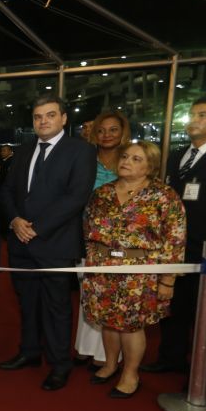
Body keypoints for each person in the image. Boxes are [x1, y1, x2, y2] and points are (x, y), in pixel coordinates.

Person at [0, 95, 96, 391]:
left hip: (55, 243)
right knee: (26, 302)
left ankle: (59, 364)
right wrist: (15, 220)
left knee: (56, 307)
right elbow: (7, 191)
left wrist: (37, 229)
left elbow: (76, 197)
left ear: (64, 118)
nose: (43, 121)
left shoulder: (81, 151)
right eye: (38, 116)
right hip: (20, 241)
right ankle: (29, 351)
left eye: (50, 115)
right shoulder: (24, 150)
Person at [82, 141, 186, 397]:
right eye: (125, 156)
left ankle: (130, 374)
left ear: (150, 166)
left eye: (136, 159)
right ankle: (110, 364)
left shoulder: (163, 195)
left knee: (131, 325)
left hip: (139, 272)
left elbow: (174, 239)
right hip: (102, 268)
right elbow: (87, 229)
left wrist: (168, 280)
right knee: (107, 321)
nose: (126, 161)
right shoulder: (102, 193)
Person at [143, 95, 206, 386]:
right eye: (192, 114)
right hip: (175, 249)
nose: (194, 120)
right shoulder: (178, 156)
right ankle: (171, 358)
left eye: (202, 115)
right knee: (174, 306)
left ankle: (202, 373)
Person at [74, 110, 131, 371]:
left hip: (121, 238)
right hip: (86, 234)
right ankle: (85, 347)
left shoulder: (130, 159)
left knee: (112, 295)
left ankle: (107, 355)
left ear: (123, 133)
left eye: (113, 130)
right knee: (88, 290)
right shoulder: (85, 158)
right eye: (101, 130)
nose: (106, 135)